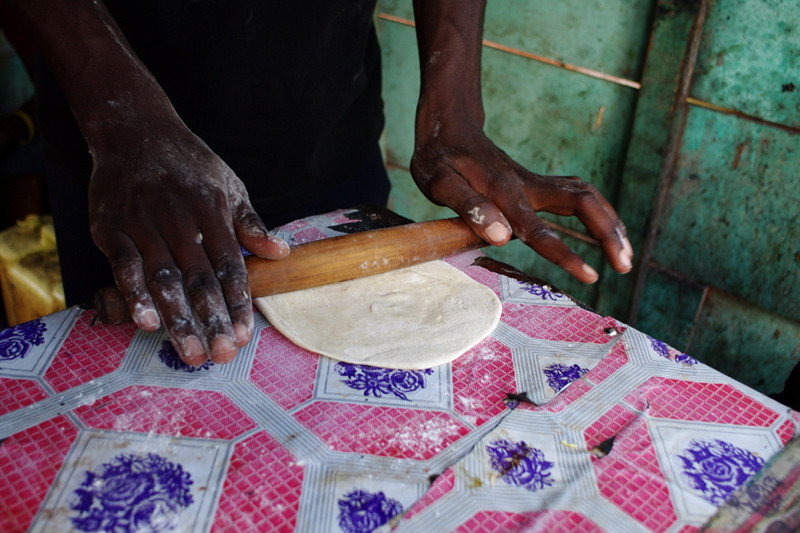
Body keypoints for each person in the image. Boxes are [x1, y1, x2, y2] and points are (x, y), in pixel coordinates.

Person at [5, 0, 634, 366]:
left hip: (327, 124)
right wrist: (123, 117)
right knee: (141, 365)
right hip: (130, 169)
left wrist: (455, 113)